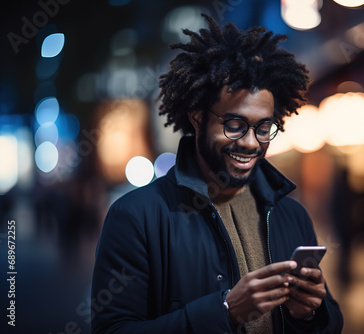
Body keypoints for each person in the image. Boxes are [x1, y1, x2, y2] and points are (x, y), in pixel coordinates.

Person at [91, 14, 343, 334]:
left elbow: (331, 322)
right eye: (234, 125)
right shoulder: (135, 217)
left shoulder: (291, 214)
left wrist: (310, 314)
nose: (251, 142)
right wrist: (224, 312)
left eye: (264, 128)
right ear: (197, 118)